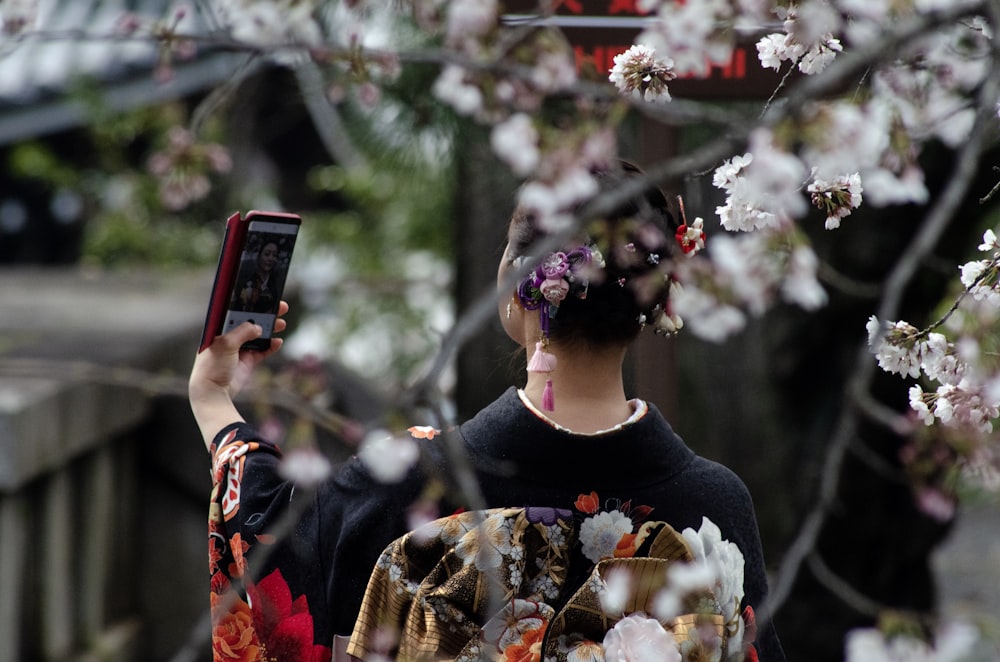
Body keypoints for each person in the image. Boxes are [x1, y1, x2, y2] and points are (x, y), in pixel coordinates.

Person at [191, 161, 785, 661]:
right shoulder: (714, 508)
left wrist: (214, 398)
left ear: (520, 284)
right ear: (655, 303)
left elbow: (270, 563)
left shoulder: (402, 484)